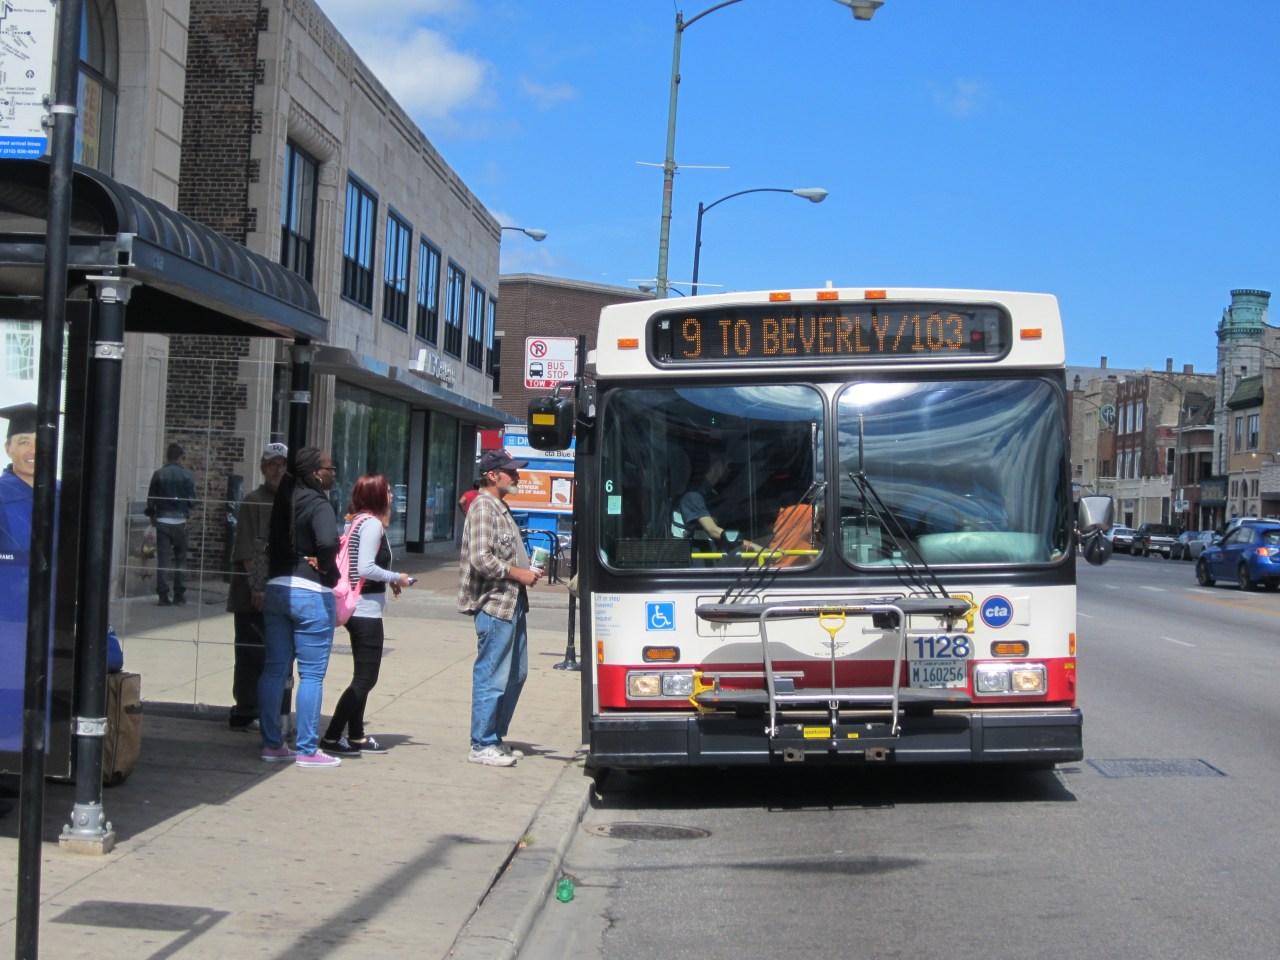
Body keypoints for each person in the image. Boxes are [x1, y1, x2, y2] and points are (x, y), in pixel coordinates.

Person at [457, 448, 542, 767]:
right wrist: (518, 572)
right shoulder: (483, 507)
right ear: (492, 475)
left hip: (513, 602)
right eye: (511, 471)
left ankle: (494, 736)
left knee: (515, 674)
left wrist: (527, 570)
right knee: (492, 674)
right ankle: (481, 744)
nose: (516, 476)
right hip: (494, 605)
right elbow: (480, 558)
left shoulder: (499, 507)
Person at [258, 447, 342, 769]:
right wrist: (328, 571)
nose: (333, 472)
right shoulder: (319, 504)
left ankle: (271, 744)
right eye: (329, 467)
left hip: (277, 589)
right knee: (311, 675)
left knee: (274, 669)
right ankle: (307, 748)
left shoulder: (284, 501)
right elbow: (327, 542)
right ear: (315, 473)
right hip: (309, 592)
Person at [321, 474, 413, 756]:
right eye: (387, 491)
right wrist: (398, 576)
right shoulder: (371, 524)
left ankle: (357, 734)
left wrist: (390, 582)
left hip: (358, 606)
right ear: (375, 496)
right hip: (365, 610)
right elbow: (365, 568)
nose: (391, 495)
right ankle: (333, 736)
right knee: (365, 679)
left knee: (362, 675)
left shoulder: (356, 521)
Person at [226, 442, 290, 731]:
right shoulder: (254, 500)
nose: (278, 469)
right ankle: (246, 709)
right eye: (272, 464)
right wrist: (258, 587)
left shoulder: (290, 500)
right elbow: (251, 551)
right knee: (252, 653)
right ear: (263, 468)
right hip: (255, 592)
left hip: (281, 591)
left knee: (275, 655)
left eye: (282, 464)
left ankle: (271, 708)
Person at [673, 458, 761, 553]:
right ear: (717, 466)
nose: (729, 471)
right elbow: (713, 531)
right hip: (687, 564)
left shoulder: (712, 498)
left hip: (709, 563)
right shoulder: (692, 497)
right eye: (728, 466)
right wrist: (754, 547)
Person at [146, 442, 196, 606]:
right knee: (181, 559)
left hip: (162, 520)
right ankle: (179, 595)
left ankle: (163, 595)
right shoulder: (187, 475)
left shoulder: (158, 474)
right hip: (180, 520)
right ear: (181, 457)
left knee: (164, 560)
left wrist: (152, 515)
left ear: (167, 456)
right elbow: (192, 502)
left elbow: (151, 500)